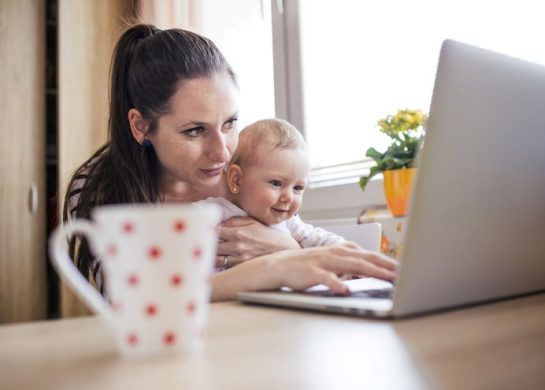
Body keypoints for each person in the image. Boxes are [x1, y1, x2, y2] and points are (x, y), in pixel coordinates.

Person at [63, 23, 397, 301]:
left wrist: (285, 248)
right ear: (141, 126)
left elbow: (295, 235)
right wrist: (274, 265)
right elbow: (127, 301)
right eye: (195, 131)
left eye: (230, 123)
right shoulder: (99, 185)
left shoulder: (244, 168)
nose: (222, 153)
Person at [199, 118, 360, 271]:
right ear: (237, 180)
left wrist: (351, 257)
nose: (288, 197)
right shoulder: (216, 212)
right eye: (276, 183)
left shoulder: (290, 223)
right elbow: (180, 231)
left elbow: (321, 241)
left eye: (297, 188)